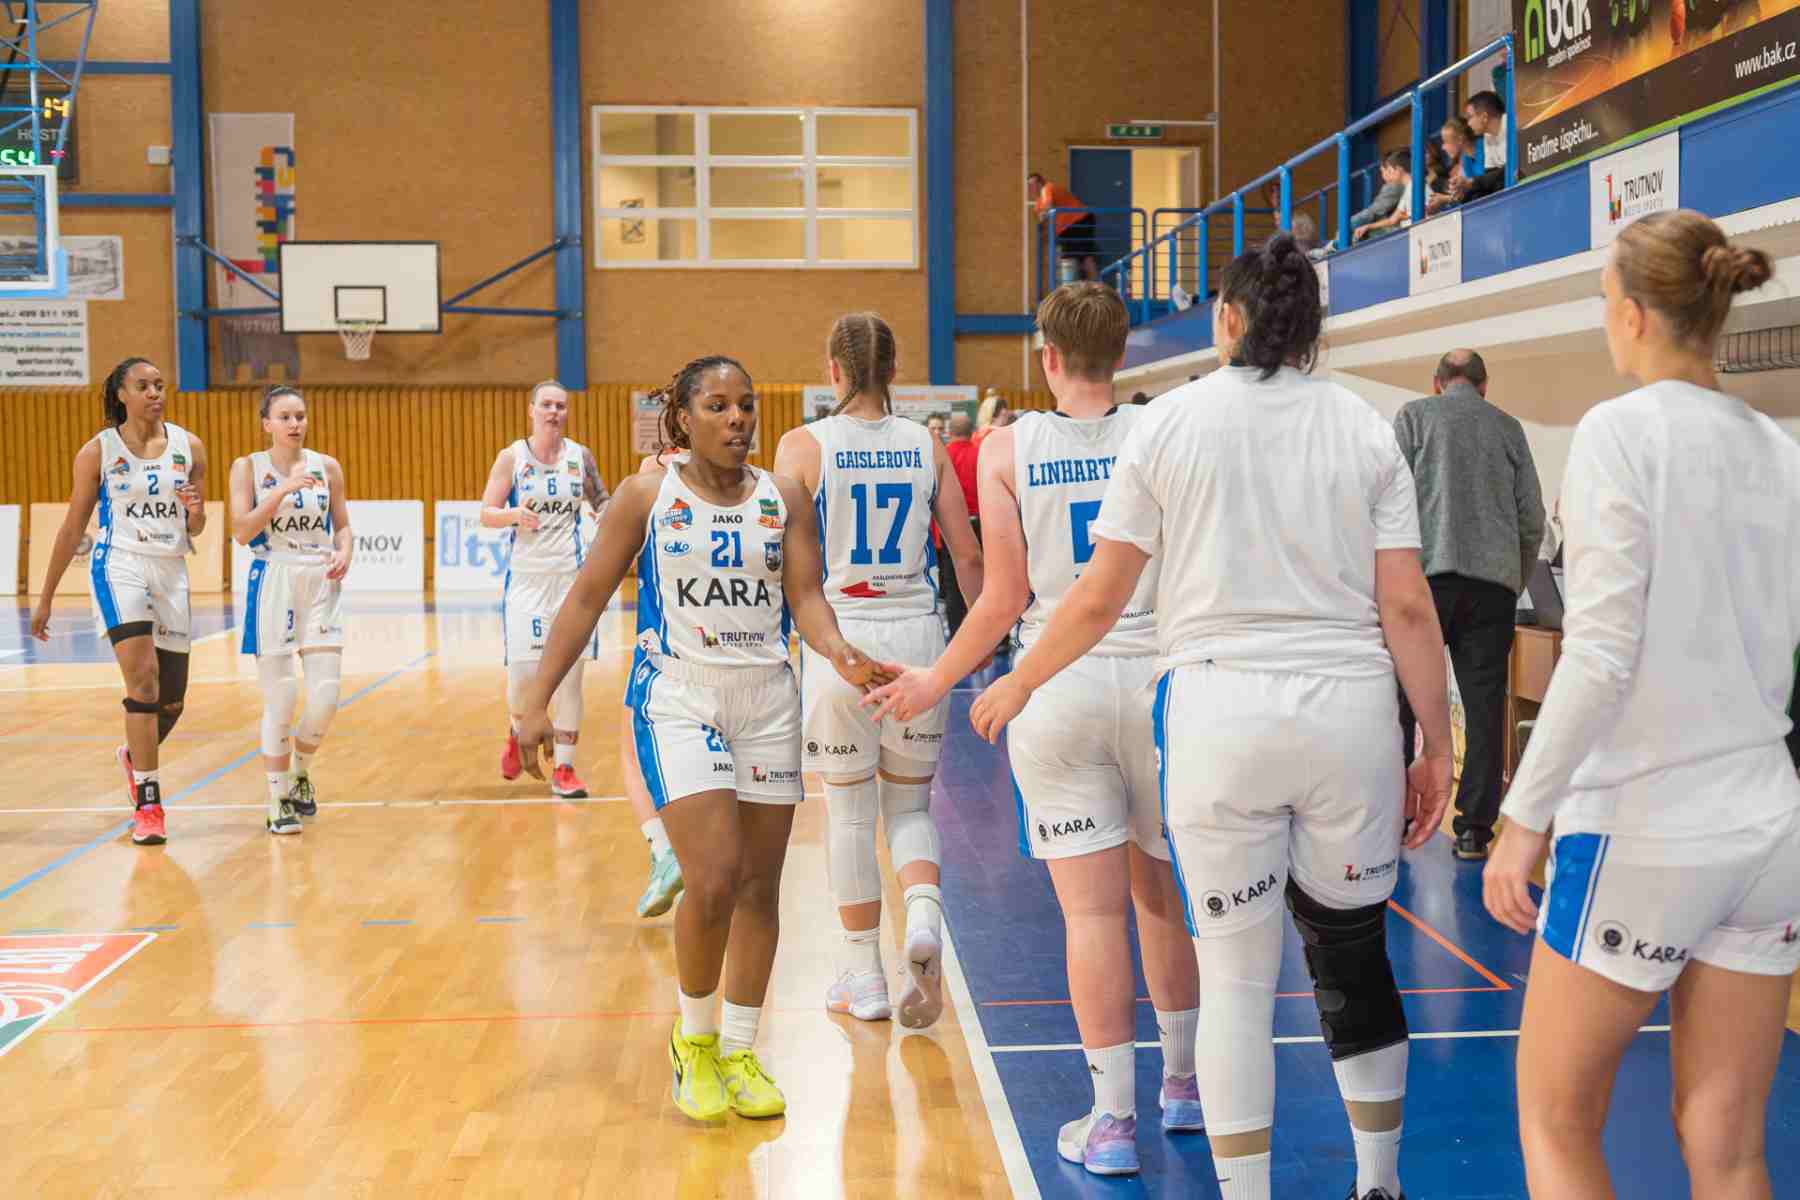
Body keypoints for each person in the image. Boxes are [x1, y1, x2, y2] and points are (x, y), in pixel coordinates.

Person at [966, 235, 1453, 1200]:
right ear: (1313, 328)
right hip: (1350, 716)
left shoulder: (1170, 423)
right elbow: (1406, 605)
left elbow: (1100, 597)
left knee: (1234, 980)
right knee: (1352, 958)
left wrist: (1020, 683)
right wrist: (1437, 744)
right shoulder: (1365, 425)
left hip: (1219, 716)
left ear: (1227, 318)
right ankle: (1379, 1184)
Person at [1483, 210, 1797, 1200]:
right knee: (1729, 1146)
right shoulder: (1782, 450)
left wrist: (1522, 820)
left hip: (1645, 820)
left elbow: (1601, 651)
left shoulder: (1618, 433)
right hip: (1768, 826)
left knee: (1556, 1119)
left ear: (1631, 315)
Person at [865, 283, 1203, 1176]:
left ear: (1046, 357)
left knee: (1091, 913)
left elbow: (1004, 595)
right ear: (1122, 354)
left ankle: (1113, 1122)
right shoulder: (1166, 429)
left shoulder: (1008, 447)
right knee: (1162, 898)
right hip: (1164, 680)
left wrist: (938, 678)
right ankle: (1183, 1087)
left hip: (1058, 679)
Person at [514, 355, 885, 1123]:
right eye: (717, 406)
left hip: (768, 697)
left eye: (746, 404)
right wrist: (533, 698)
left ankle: (741, 1050)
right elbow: (585, 597)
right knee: (712, 877)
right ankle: (695, 1039)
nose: (738, 417)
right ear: (682, 419)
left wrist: (843, 654)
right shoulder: (647, 495)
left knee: (759, 888)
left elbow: (807, 597)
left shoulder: (784, 497)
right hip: (681, 695)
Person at [773, 313, 983, 1028]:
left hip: (841, 640)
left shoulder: (802, 446)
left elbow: (778, 557)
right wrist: (984, 645)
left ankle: (863, 976)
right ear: (894, 372)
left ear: (833, 371)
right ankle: (921, 915)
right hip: (917, 638)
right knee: (911, 808)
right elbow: (967, 556)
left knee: (850, 813)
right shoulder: (927, 446)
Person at [31, 357, 209, 847]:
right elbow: (73, 527)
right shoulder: (98, 451)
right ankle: (149, 806)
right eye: (143, 386)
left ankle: (134, 758)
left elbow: (196, 527)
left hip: (171, 568)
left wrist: (195, 514)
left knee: (171, 701)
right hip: (120, 565)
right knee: (143, 677)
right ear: (121, 395)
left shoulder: (189, 446)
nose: (155, 393)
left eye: (159, 385)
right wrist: (45, 598)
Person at [1393, 350, 1545, 860]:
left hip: (1424, 582)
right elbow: (1531, 517)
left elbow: (1386, 503)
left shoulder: (1413, 418)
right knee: (1484, 708)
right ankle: (1474, 831)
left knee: (1401, 701)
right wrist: (1511, 579)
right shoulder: (1508, 428)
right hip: (1491, 589)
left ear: (1437, 383)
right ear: (1484, 386)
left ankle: (1396, 813)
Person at [229, 386, 353, 835]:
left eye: (300, 415)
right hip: (274, 577)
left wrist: (345, 551)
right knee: (281, 697)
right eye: (284, 417)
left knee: (326, 696)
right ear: (267, 424)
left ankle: (300, 769)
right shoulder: (248, 467)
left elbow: (342, 525)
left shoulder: (327, 466)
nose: (295, 423)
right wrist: (281, 490)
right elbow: (242, 531)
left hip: (320, 579)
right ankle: (277, 798)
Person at [479, 381, 610, 799]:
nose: (554, 412)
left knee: (570, 677)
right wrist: (513, 515)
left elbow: (603, 502)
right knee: (523, 677)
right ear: (531, 410)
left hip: (571, 580)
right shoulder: (512, 457)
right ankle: (517, 731)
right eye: (547, 405)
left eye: (561, 406)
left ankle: (565, 769)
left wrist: (609, 519)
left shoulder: (580, 457)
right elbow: (486, 512)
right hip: (527, 580)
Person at [628, 445, 687, 918]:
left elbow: (623, 557)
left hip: (665, 639)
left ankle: (664, 850)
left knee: (631, 744)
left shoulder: (654, 472)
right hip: (738, 642)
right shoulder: (751, 477)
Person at [940, 412, 981, 639]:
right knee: (988, 579)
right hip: (982, 524)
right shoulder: (980, 453)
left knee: (953, 584)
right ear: (971, 430)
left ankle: (957, 633)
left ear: (949, 432)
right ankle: (996, 636)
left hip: (951, 526)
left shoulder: (943, 456)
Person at [1030, 172, 1098, 281]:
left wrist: (1044, 216)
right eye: (1029, 186)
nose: (1031, 188)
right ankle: (1088, 284)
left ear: (1040, 183)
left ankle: (1086, 284)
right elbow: (1043, 223)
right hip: (1067, 228)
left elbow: (1048, 208)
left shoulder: (1047, 188)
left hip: (1079, 220)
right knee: (1082, 257)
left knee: (1077, 257)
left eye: (1033, 184)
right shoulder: (1038, 204)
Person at [1354, 151, 1413, 242]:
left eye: (1389, 170)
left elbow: (1426, 213)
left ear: (1399, 169)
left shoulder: (1411, 187)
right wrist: (1367, 226)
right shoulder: (1407, 189)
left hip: (1411, 235)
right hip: (1406, 233)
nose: (1386, 175)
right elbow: (1392, 220)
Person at [1462, 91, 1507, 201]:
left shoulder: (1511, 124)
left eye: (1470, 117)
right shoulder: (1487, 136)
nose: (1468, 124)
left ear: (1484, 117)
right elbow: (1489, 175)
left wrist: (1472, 182)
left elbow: (1513, 169)